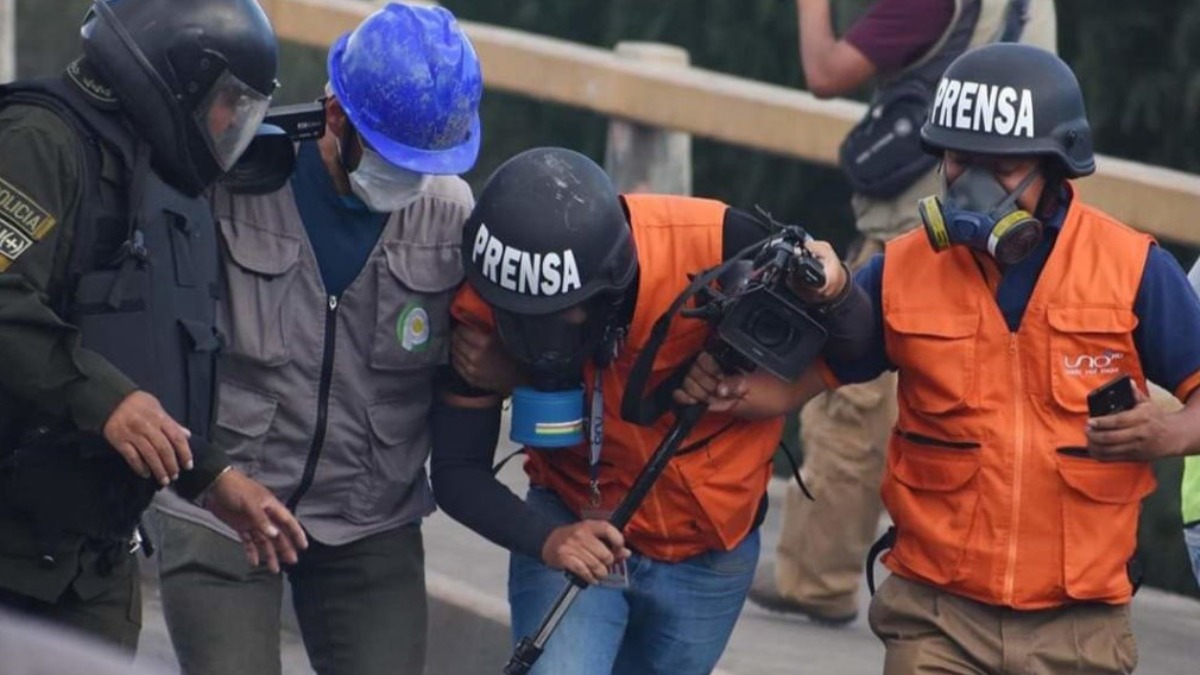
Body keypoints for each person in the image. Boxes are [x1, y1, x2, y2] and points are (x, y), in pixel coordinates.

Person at [676, 43, 1200, 674]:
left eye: (1002, 167)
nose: (973, 184)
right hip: (936, 619)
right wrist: (723, 383)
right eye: (958, 160)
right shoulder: (901, 268)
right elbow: (794, 387)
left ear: (1055, 166)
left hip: (1079, 626)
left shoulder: (1132, 267)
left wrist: (1169, 432)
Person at [430, 145, 873, 675]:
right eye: (516, 317)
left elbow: (863, 348)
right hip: (572, 516)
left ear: (610, 288)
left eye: (558, 317)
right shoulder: (485, 297)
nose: (533, 336)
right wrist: (546, 540)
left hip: (709, 547)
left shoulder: (720, 243)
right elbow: (456, 472)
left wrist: (832, 302)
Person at [149, 4, 482, 674]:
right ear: (337, 117)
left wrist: (493, 363)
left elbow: (479, 364)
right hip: (225, 499)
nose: (411, 179)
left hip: (369, 518)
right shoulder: (234, 179)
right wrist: (204, 474)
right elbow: (159, 330)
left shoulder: (451, 215)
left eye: (425, 162)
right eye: (393, 156)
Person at [0, 0, 303, 655]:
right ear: (177, 74)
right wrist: (106, 400)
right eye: (227, 100)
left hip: (92, 561)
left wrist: (210, 475)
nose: (229, 123)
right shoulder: (37, 139)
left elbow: (153, 352)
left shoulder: (170, 182)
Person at [753, 0, 1058, 625]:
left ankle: (817, 577)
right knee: (978, 416)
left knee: (851, 412)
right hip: (1017, 235)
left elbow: (825, 72)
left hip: (920, 233)